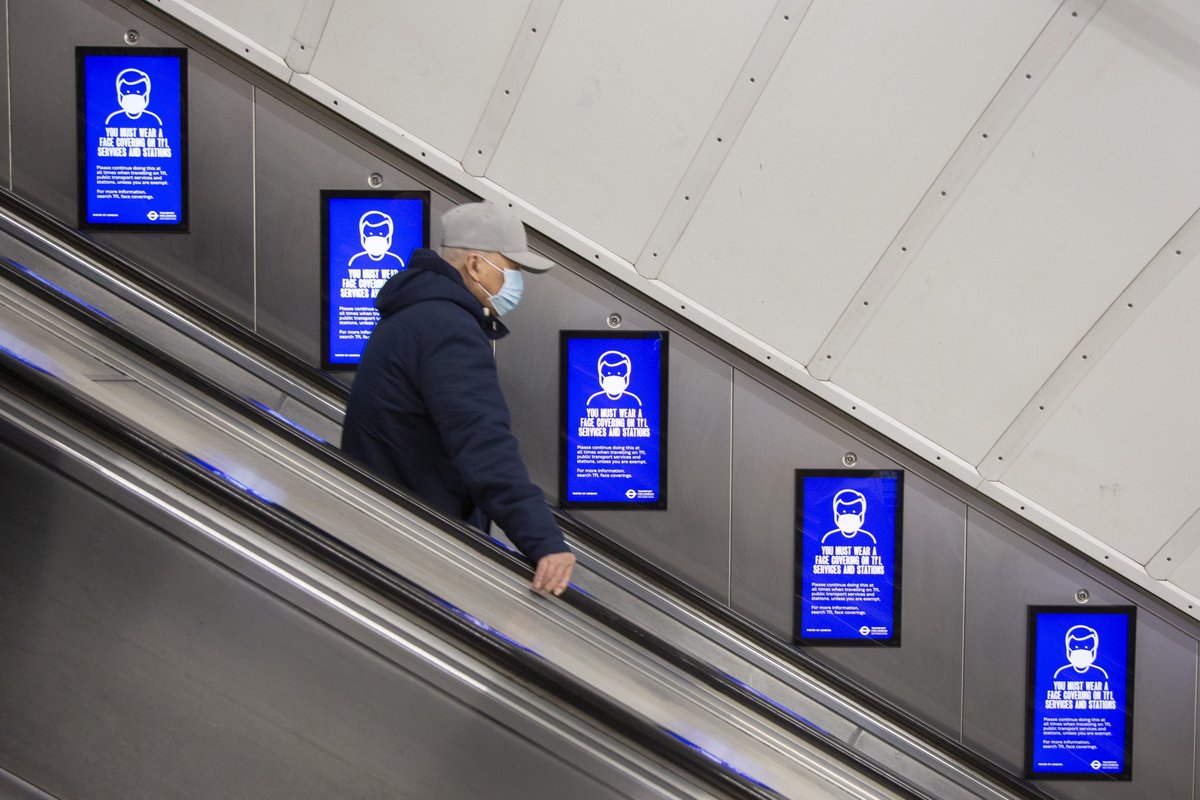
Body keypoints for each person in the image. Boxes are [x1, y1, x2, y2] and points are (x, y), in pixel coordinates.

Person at [341, 202, 575, 595]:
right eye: (511, 268)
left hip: (388, 521)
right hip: (414, 540)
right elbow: (483, 441)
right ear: (476, 265)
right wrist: (544, 540)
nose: (516, 281)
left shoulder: (414, 313)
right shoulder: (448, 330)